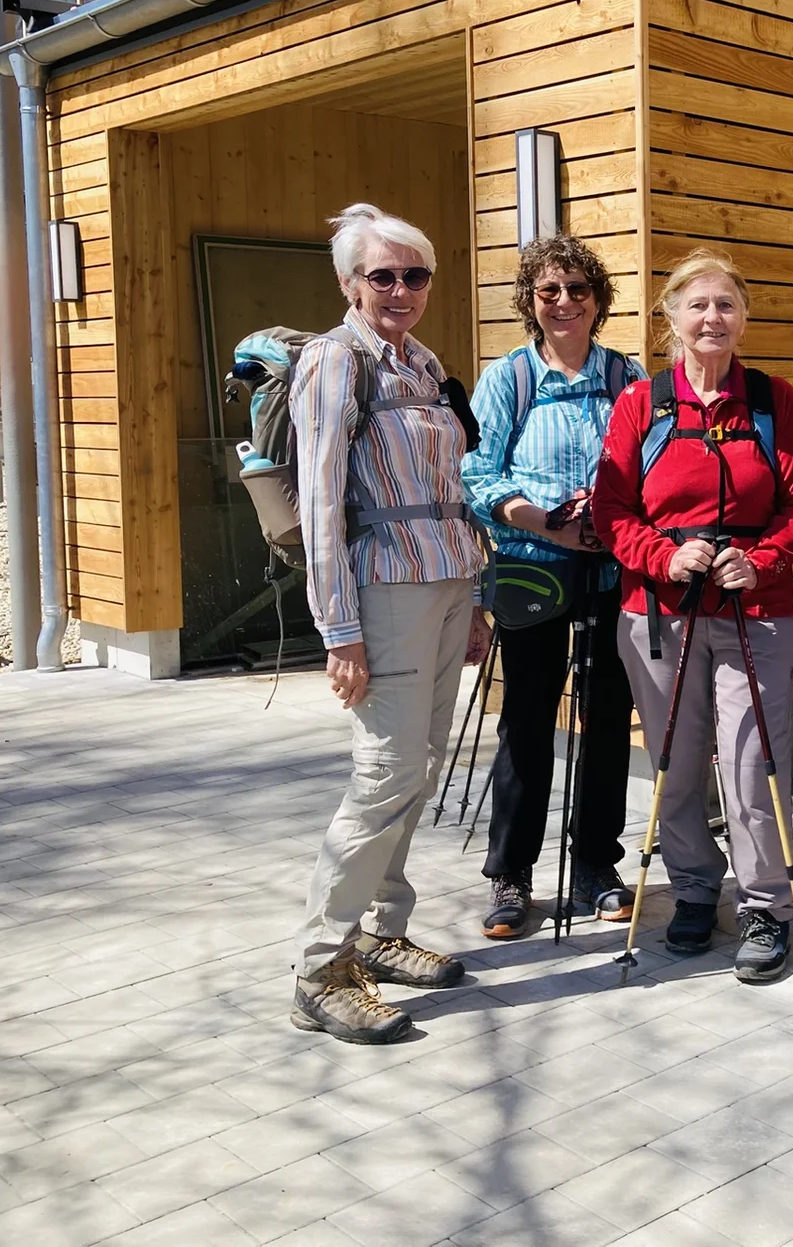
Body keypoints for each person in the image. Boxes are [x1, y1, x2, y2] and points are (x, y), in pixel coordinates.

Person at [591, 248, 793, 984]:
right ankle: (694, 889)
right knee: (677, 761)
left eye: (725, 305)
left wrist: (763, 559)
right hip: (660, 613)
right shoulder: (642, 403)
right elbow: (610, 508)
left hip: (754, 609)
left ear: (744, 317)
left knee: (754, 762)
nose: (712, 318)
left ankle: (764, 906)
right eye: (698, 305)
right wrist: (664, 557)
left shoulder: (772, 401)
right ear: (672, 317)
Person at [289, 204, 490, 1045]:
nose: (400, 289)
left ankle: (381, 929)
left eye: (415, 275)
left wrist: (476, 598)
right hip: (385, 592)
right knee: (384, 776)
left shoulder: (422, 363)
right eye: (383, 275)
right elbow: (320, 504)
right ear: (350, 283)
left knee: (421, 767)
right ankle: (319, 969)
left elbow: (453, 490)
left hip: (447, 584)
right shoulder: (335, 361)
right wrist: (339, 631)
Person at [463, 234, 644, 939]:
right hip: (531, 564)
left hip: (610, 567)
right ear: (530, 301)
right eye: (549, 291)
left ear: (598, 300)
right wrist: (547, 524)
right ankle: (510, 871)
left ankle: (596, 864)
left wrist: (612, 522)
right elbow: (478, 472)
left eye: (578, 289)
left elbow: (649, 464)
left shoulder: (626, 376)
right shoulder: (508, 378)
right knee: (527, 719)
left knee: (607, 718)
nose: (564, 302)